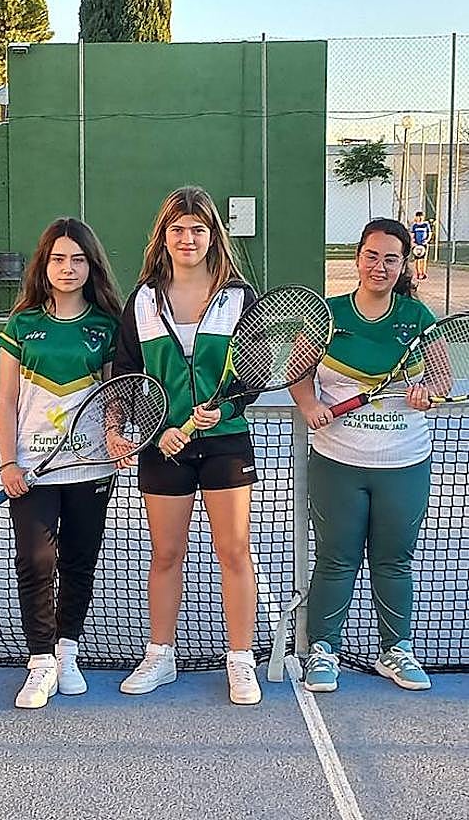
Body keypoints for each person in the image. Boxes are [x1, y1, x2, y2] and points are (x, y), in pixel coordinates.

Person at [113, 186, 262, 705]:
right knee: (166, 553)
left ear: (212, 235)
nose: (188, 238)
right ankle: (161, 655)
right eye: (178, 229)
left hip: (225, 443)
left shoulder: (240, 297)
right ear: (164, 236)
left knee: (234, 550)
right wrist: (151, 427)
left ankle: (241, 660)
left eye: (198, 229)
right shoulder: (142, 301)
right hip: (164, 447)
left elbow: (255, 371)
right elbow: (128, 377)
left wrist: (227, 406)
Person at [290, 218, 435, 693]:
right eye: (372, 255)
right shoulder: (327, 315)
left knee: (394, 559)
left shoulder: (417, 319)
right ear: (357, 258)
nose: (380, 266)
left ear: (403, 264)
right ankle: (323, 651)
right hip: (338, 459)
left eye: (391, 258)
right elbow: (298, 371)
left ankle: (396, 650)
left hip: (404, 461)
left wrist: (424, 393)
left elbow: (440, 381)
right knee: (336, 557)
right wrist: (310, 405)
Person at [0, 217, 122, 709]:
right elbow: (6, 401)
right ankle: (41, 661)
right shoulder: (22, 325)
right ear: (43, 265)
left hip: (91, 467)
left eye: (77, 259)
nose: (67, 268)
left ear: (91, 266)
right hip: (32, 468)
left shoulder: (106, 326)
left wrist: (115, 435)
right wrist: (8, 462)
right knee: (35, 559)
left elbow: (117, 395)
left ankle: (66, 647)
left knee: (77, 560)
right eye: (58, 259)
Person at [410, 211, 432, 281]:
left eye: (421, 216)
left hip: (424, 244)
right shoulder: (414, 226)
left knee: (424, 259)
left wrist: (427, 240)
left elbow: (429, 233)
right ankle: (418, 273)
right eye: (418, 216)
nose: (419, 218)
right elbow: (412, 235)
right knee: (417, 259)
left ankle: (423, 272)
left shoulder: (426, 225)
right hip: (417, 244)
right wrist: (413, 242)